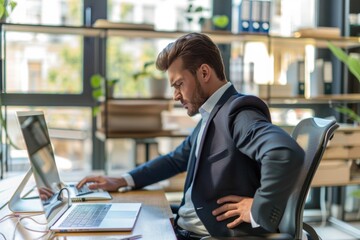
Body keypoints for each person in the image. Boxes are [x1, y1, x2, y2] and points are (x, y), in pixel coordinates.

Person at [77, 32, 304, 239]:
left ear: (204, 72)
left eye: (179, 84)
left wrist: (258, 208)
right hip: (185, 224)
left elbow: (283, 152)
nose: (176, 95)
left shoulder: (238, 112)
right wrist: (122, 180)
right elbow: (176, 159)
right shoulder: (212, 113)